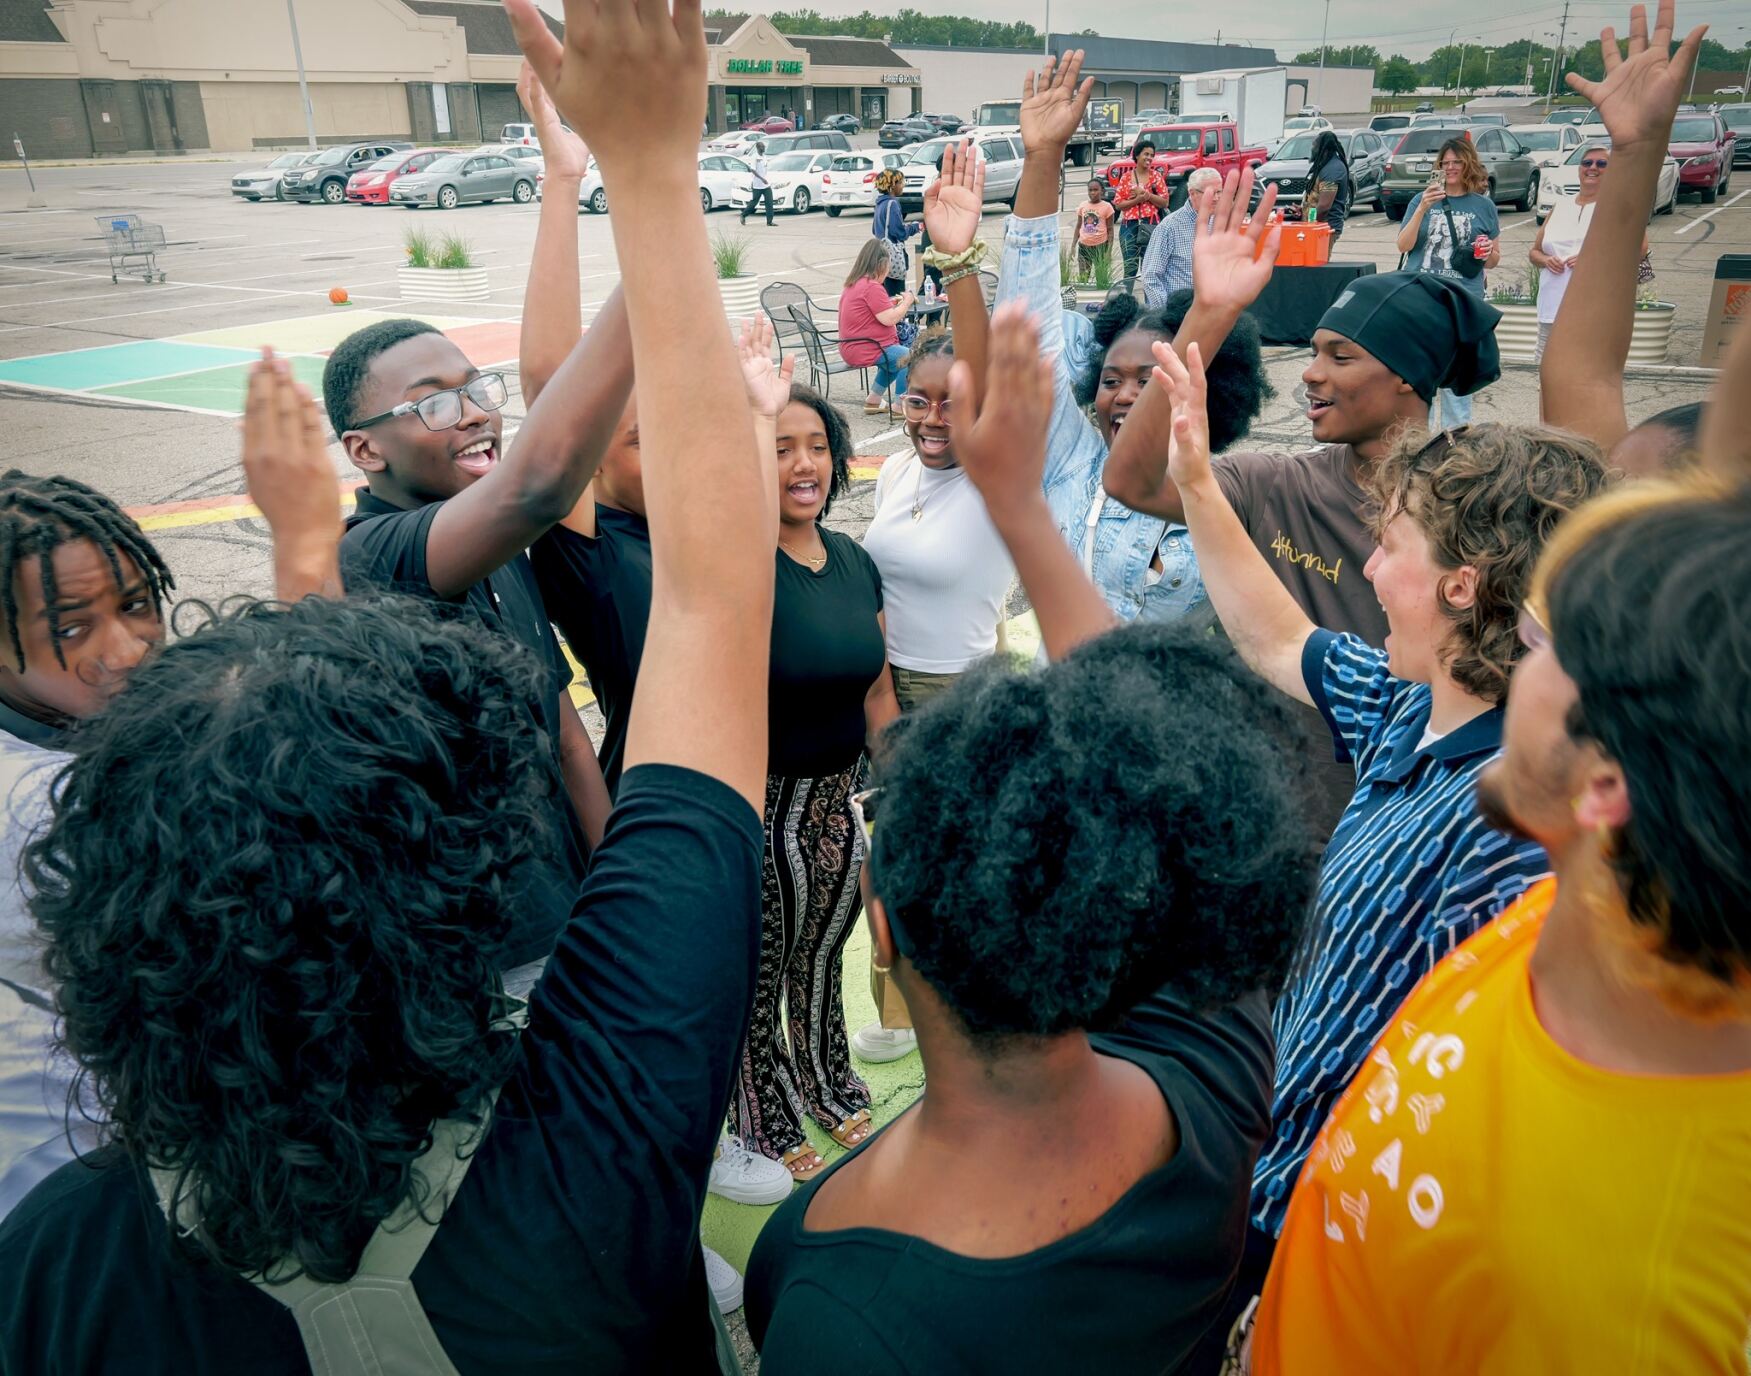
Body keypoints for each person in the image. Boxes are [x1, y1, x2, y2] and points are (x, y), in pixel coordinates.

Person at [0, 0, 779, 1367]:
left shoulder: (60, 1255)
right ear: (458, 889)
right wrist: (653, 173)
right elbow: (718, 600)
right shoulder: (605, 1114)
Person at [743, 304, 1322, 1373]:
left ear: (880, 921)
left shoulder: (834, 1299)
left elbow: (1147, 760)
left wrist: (1013, 505)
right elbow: (1154, 763)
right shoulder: (1216, 1071)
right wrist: (1018, 505)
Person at [1153, 337, 1610, 1345]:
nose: (1364, 565)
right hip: (1276, 1180)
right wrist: (1192, 477)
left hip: (1340, 1232)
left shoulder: (1512, 830)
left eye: (1392, 543)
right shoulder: (1411, 708)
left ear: (1461, 582)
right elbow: (1275, 635)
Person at [1250, 477, 1751, 1374]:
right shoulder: (1568, 919)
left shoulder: (1613, 1302)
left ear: (1603, 784)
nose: (1504, 664)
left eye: (1536, 644)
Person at [510, 59, 785, 1303]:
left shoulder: (717, 514)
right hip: (664, 783)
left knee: (751, 973)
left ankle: (734, 1117)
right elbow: (545, 388)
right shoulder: (599, 544)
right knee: (670, 1004)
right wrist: (584, 183)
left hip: (771, 781)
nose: (666, 433)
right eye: (640, 427)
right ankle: (693, 1163)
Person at [1103, 266, 1503, 837]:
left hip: (1404, 823)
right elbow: (1130, 482)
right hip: (1270, 822)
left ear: (1408, 376)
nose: (1310, 375)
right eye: (1313, 353)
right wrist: (1208, 315)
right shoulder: (1277, 486)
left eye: (1341, 357)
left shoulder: (1481, 505)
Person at [988, 54, 1274, 632]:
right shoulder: (1069, 460)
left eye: (1150, 381)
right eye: (1112, 380)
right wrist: (1044, 158)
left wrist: (1212, 313)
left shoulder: (1229, 496)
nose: (1126, 396)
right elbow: (1028, 327)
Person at [727, 317, 900, 1179]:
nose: (803, 464)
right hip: (760, 808)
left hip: (836, 804)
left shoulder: (851, 558)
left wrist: (896, 784)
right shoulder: (738, 564)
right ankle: (763, 1111)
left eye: (816, 447)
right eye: (780, 446)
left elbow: (876, 687)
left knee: (826, 955)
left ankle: (830, 1086)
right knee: (759, 976)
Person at [851, 143, 1007, 1066]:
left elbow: (980, 390)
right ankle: (901, 1015)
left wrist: (956, 262)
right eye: (916, 402)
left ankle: (980, 1014)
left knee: (967, 864)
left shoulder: (990, 475)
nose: (932, 419)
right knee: (894, 856)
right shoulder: (901, 466)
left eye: (950, 406)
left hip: (961, 691)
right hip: (880, 687)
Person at [0, 471, 175, 1219]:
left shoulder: (77, 727)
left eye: (136, 604)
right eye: (71, 628)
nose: (129, 646)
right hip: (90, 1177)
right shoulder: (41, 805)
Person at [1539, 6, 1698, 468]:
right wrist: (1637, 149)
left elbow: (1586, 375)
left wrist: (1637, 152)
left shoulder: (1611, 533)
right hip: (1561, 312)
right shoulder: (1564, 205)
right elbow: (1584, 376)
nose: (1615, 485)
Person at [1396, 136, 1500, 430]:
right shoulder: (1422, 199)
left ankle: (1456, 444)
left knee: (1456, 380)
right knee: (1422, 374)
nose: (1450, 167)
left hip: (1463, 300)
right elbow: (1403, 246)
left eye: (1457, 162)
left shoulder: (1484, 206)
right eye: (1445, 162)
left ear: (1469, 163)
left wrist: (1487, 252)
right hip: (1423, 298)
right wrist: (1422, 209)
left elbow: (1493, 260)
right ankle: (1418, 441)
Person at [1530, 143, 1648, 362]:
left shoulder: (1618, 207)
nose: (1593, 167)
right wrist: (1546, 260)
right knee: (1547, 375)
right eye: (1587, 163)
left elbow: (1640, 251)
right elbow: (1534, 252)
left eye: (1602, 164)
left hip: (1594, 311)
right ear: (1579, 168)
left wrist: (1594, 261)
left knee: (1584, 375)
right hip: (1552, 307)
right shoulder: (1561, 205)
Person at [838, 239, 915, 416]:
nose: (888, 271)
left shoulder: (855, 283)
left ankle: (873, 400)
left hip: (852, 345)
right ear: (880, 265)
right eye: (888, 265)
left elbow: (870, 310)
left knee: (893, 362)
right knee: (908, 357)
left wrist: (888, 302)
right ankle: (899, 405)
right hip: (866, 346)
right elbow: (890, 319)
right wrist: (907, 303)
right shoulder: (872, 287)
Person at [1138, 164, 1220, 309]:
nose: (1217, 198)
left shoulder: (1218, 222)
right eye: (1211, 193)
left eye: (1220, 192)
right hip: (1178, 316)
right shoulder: (1169, 227)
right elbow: (1150, 277)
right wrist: (1166, 315)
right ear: (1192, 193)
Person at [1112, 137, 1171, 280]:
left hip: (1150, 225)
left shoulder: (1156, 176)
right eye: (1146, 154)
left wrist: (1146, 195)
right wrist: (1138, 199)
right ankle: (1127, 301)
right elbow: (1119, 204)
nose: (1149, 158)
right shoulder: (1126, 177)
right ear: (1137, 155)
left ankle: (1149, 302)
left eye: (1152, 155)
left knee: (1149, 267)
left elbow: (1165, 202)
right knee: (1130, 268)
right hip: (1129, 226)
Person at [872, 169, 918, 296]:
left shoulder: (879, 204)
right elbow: (900, 233)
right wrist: (915, 227)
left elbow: (874, 230)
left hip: (880, 258)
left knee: (884, 297)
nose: (903, 185)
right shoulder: (892, 203)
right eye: (901, 182)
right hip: (893, 259)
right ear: (892, 186)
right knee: (896, 297)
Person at [1305, 129, 1352, 242]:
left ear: (1323, 148)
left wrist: (1311, 225)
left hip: (1325, 228)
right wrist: (1303, 209)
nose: (1312, 149)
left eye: (1314, 145)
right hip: (1319, 227)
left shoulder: (1333, 169)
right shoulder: (1326, 165)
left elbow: (1324, 207)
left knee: (1318, 260)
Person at [1074, 176, 1115, 276]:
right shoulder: (1083, 205)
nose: (1092, 192)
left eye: (1096, 190)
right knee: (1083, 276)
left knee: (1101, 276)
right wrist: (1072, 246)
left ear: (1102, 191)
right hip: (1084, 246)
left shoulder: (1107, 207)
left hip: (1100, 246)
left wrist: (1108, 252)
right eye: (1090, 190)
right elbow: (1078, 226)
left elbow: (1110, 230)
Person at [743, 140, 775, 225]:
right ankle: (743, 215)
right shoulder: (754, 157)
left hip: (766, 185)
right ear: (757, 148)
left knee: (769, 202)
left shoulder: (764, 156)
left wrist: (766, 179)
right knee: (754, 202)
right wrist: (762, 179)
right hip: (757, 185)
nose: (763, 148)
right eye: (762, 147)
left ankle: (769, 221)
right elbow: (752, 170)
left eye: (764, 146)